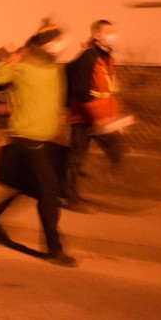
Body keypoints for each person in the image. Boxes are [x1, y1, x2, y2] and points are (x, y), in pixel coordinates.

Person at [0, 20, 78, 267]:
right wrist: (9, 56)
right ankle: (54, 249)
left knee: (26, 189)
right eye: (58, 40)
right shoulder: (24, 65)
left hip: (47, 141)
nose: (61, 45)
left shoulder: (54, 68)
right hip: (29, 141)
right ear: (48, 44)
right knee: (49, 193)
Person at [65, 19, 129, 211]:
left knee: (117, 148)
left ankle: (122, 186)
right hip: (85, 118)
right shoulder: (88, 57)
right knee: (76, 157)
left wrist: (112, 116)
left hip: (103, 117)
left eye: (114, 32)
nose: (114, 36)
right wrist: (99, 117)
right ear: (98, 36)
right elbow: (82, 92)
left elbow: (108, 89)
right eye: (109, 32)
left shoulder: (108, 58)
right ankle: (71, 197)